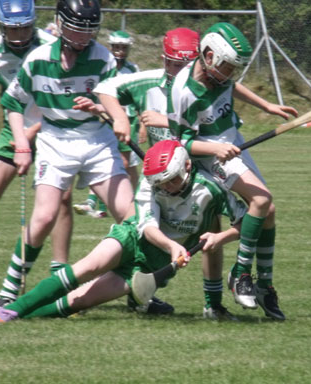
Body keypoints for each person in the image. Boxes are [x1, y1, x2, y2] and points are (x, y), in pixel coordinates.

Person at [0, 140, 248, 323]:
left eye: (171, 181)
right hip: (134, 238)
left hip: (156, 264)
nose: (166, 188)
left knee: (80, 300)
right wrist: (173, 246)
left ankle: (10, 317)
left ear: (187, 166)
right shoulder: (152, 184)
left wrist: (220, 237)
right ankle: (9, 310)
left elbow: (245, 222)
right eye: (161, 184)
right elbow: (148, 226)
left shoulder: (213, 190)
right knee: (85, 268)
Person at [0, 0, 135, 307]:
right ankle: (8, 291)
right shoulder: (38, 59)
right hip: (54, 140)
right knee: (43, 217)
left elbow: (114, 104)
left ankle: (134, 286)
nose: (83, 38)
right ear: (59, 23)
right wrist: (21, 145)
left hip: (97, 139)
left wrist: (100, 110)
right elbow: (13, 103)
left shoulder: (104, 58)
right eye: (75, 29)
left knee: (130, 213)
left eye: (89, 31)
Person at [167, 22, 297, 320]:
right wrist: (215, 150)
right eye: (227, 66)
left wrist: (267, 106)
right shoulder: (184, 90)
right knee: (261, 202)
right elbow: (180, 143)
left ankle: (264, 285)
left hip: (232, 143)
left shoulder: (219, 75)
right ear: (208, 55)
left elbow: (231, 85)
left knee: (269, 210)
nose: (230, 74)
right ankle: (240, 274)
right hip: (212, 154)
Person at [0, 0, 74, 306]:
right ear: (1, 26)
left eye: (24, 28)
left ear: (34, 23)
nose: (18, 36)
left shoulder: (53, 47)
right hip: (12, 131)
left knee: (62, 199)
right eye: (11, 29)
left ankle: (59, 278)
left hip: (55, 128)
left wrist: (33, 133)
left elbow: (70, 94)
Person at [94, 28, 200, 314]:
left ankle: (208, 303)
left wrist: (166, 121)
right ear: (164, 60)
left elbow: (213, 130)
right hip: (155, 180)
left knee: (180, 240)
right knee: (138, 237)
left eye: (185, 65)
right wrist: (114, 116)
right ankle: (92, 288)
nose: (177, 71)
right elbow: (105, 89)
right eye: (172, 63)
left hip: (192, 179)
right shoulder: (148, 81)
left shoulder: (202, 89)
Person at [73, 30, 140, 219]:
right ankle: (96, 203)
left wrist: (140, 122)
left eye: (123, 48)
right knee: (110, 161)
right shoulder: (101, 65)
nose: (119, 51)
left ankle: (124, 202)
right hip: (104, 119)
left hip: (126, 121)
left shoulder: (132, 69)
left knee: (125, 164)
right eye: (116, 47)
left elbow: (137, 97)